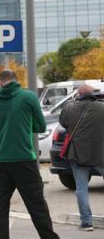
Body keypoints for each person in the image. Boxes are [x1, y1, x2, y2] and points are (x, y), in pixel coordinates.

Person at [0, 70, 59, 239]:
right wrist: (24, 129)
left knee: (0, 206)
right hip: (24, 160)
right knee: (36, 204)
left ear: (0, 82)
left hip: (1, 161)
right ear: (17, 80)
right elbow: (41, 126)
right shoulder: (29, 97)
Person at [58, 84, 104, 232]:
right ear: (93, 94)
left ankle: (86, 223)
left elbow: (63, 123)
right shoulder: (102, 107)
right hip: (100, 153)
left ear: (78, 94)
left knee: (81, 189)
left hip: (78, 154)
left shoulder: (68, 107)